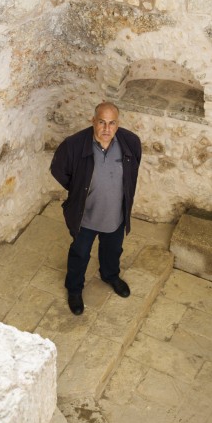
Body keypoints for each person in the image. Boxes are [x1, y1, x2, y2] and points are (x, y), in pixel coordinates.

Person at [50, 102, 142, 315]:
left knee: (113, 250)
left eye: (112, 123)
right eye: (101, 122)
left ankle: (110, 275)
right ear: (93, 121)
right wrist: (78, 189)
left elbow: (132, 170)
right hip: (86, 217)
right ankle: (74, 289)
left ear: (118, 125)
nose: (106, 129)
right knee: (79, 254)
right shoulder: (74, 145)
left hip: (115, 215)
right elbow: (58, 169)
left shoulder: (130, 142)